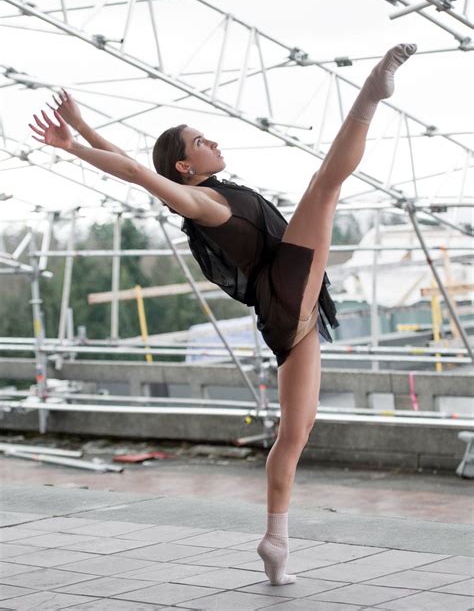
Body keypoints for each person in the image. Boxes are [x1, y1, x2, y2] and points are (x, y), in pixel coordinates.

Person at [29, 43, 417, 586]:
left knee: (297, 431)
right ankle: (371, 93)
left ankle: (275, 541)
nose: (212, 140)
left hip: (283, 307)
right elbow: (139, 172)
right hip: (284, 287)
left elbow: (138, 166)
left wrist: (84, 130)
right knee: (324, 188)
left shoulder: (204, 193)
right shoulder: (202, 203)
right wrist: (73, 147)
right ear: (186, 166)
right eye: (199, 141)